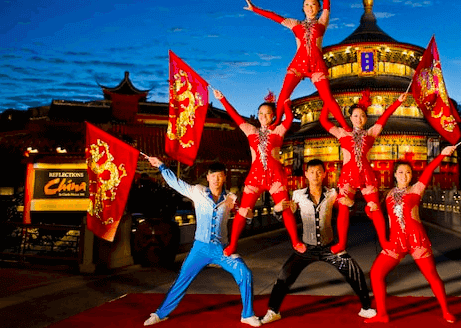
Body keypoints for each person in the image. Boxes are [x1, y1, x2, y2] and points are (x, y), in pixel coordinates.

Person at [143, 158, 260, 327]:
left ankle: (247, 314)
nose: (216, 179)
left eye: (220, 176)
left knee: (245, 273)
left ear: (225, 178)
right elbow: (176, 183)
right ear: (208, 177)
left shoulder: (230, 198)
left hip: (222, 249)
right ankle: (160, 313)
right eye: (213, 176)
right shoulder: (197, 191)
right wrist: (161, 166)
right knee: (182, 279)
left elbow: (244, 216)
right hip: (200, 248)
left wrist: (248, 214)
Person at [261, 159, 377, 324]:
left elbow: (346, 211)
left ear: (324, 174)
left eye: (318, 172)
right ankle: (273, 311)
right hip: (305, 248)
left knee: (355, 272)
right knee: (284, 276)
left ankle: (366, 308)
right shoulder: (298, 195)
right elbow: (288, 214)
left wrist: (352, 205)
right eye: (311, 172)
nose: (315, 175)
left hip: (329, 247)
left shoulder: (332, 194)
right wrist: (277, 210)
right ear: (306, 174)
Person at [244, 0, 350, 131]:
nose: (310, 7)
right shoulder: (296, 24)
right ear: (302, 8)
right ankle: (275, 123)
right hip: (298, 65)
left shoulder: (322, 22)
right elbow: (275, 16)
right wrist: (255, 9)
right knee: (284, 94)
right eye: (306, 5)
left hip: (316, 66)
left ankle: (345, 127)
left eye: (313, 5)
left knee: (328, 98)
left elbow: (327, 0)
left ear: (318, 8)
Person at [364, 146, 457, 324]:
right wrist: (369, 209)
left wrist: (442, 154)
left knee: (432, 276)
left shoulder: (416, 189)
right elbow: (376, 214)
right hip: (396, 242)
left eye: (408, 172)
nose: (404, 175)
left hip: (417, 240)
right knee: (376, 274)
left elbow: (429, 170)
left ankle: (446, 311)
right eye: (400, 172)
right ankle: (382, 314)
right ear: (394, 174)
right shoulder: (387, 194)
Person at [212, 89, 306, 256]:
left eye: (267, 114)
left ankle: (295, 241)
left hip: (275, 178)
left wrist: (286, 103)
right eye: (260, 113)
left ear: (273, 116)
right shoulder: (250, 130)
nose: (263, 116)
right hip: (255, 178)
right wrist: (222, 99)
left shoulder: (278, 131)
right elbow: (235, 116)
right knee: (242, 211)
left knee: (284, 208)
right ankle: (233, 245)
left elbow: (290, 119)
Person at [320, 91, 407, 254]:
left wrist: (398, 102)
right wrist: (327, 101)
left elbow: (384, 118)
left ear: (366, 119)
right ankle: (341, 244)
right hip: (347, 176)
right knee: (344, 209)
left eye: (362, 116)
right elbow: (323, 121)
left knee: (375, 208)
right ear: (350, 118)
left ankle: (384, 242)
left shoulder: (371, 133)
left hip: (367, 175)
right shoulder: (341, 132)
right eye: (355, 116)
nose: (359, 119)